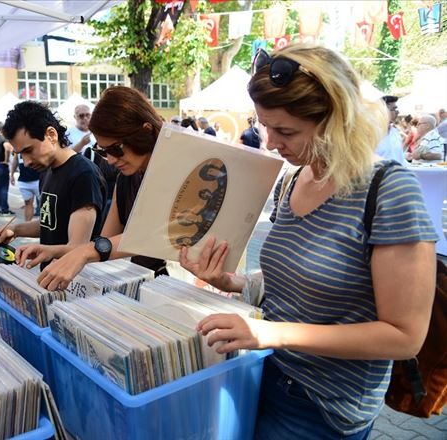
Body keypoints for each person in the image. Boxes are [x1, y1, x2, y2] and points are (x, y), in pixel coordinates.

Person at [179, 45, 437, 439]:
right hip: (266, 370)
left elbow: (404, 336)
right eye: (264, 126)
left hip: (325, 406)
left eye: (285, 131)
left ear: (338, 119)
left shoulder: (388, 189)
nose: (269, 143)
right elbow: (297, 280)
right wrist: (233, 282)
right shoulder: (291, 180)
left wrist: (269, 332)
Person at [31, 86, 168, 290]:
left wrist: (84, 253)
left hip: (161, 288)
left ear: (145, 131)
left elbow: (158, 234)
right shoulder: (125, 180)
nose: (111, 160)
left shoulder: (173, 173)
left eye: (116, 149)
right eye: (103, 151)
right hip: (134, 285)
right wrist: (55, 251)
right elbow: (105, 242)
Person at [0, 101, 107, 269]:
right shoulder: (46, 170)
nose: (27, 162)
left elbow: (78, 248)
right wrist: (15, 230)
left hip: (73, 281)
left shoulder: (83, 174)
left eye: (29, 150)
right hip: (50, 277)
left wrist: (43, 250)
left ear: (51, 135)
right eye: (21, 154)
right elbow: (50, 222)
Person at [375, 95, 406, 165]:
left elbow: (400, 158)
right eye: (393, 109)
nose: (397, 112)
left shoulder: (395, 132)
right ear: (382, 111)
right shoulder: (371, 133)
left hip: (397, 174)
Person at [10, 153, 40, 221]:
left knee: (44, 203)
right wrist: (12, 175)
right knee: (28, 204)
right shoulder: (18, 148)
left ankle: (44, 226)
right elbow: (15, 160)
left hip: (38, 179)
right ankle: (28, 224)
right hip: (24, 181)